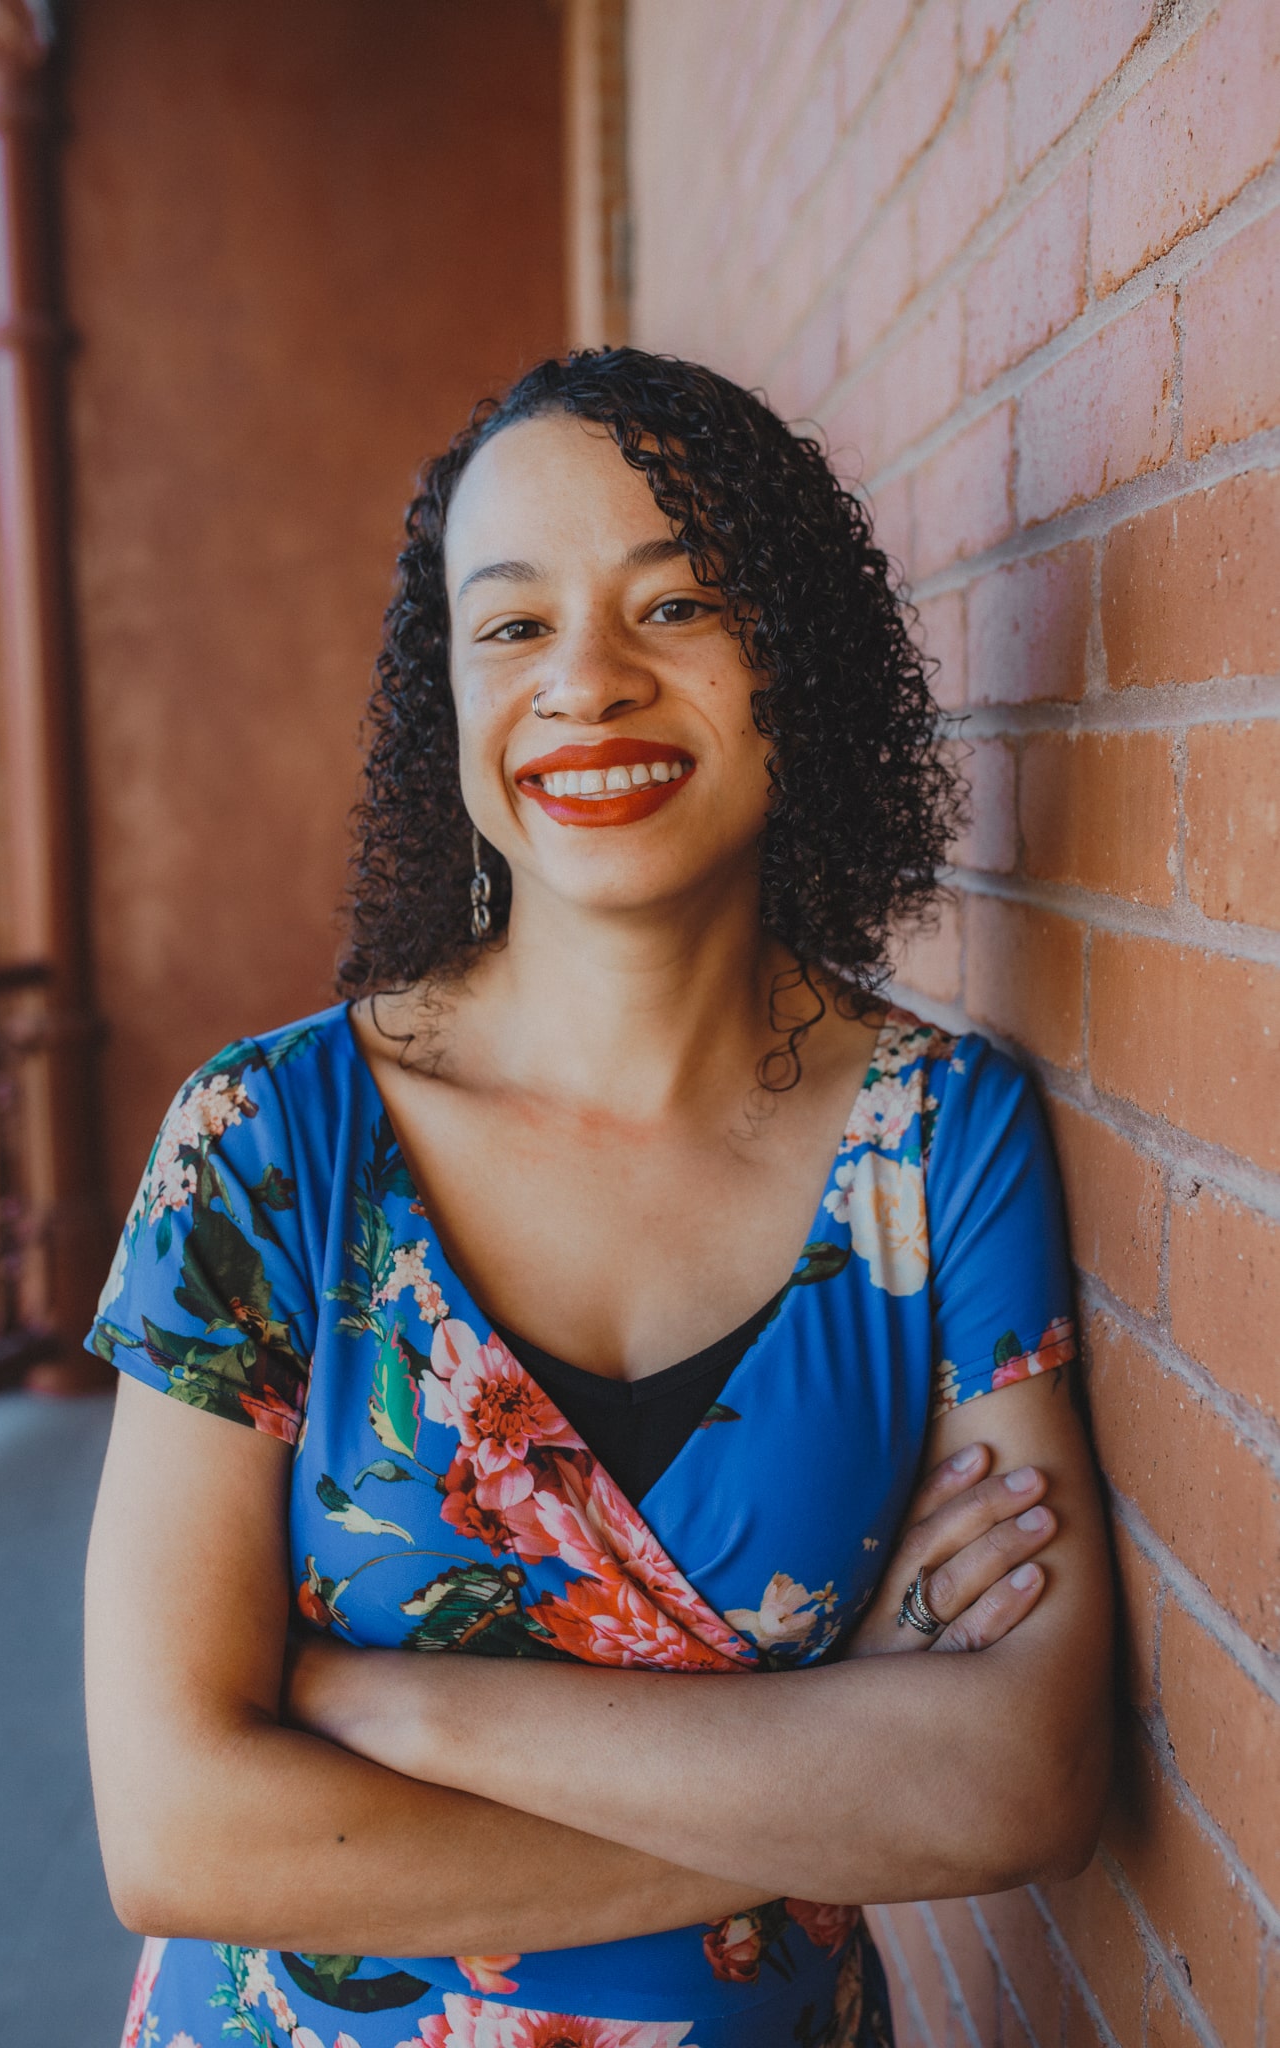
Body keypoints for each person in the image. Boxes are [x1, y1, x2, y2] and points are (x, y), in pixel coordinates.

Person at [84, 350, 1111, 2048]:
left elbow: (1017, 1783)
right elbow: (179, 1830)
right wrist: (832, 1770)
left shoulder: (939, 1145)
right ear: (450, 708)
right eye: (509, 627)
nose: (586, 683)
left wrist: (378, 1709)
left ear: (796, 661)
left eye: (680, 605)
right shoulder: (266, 1143)